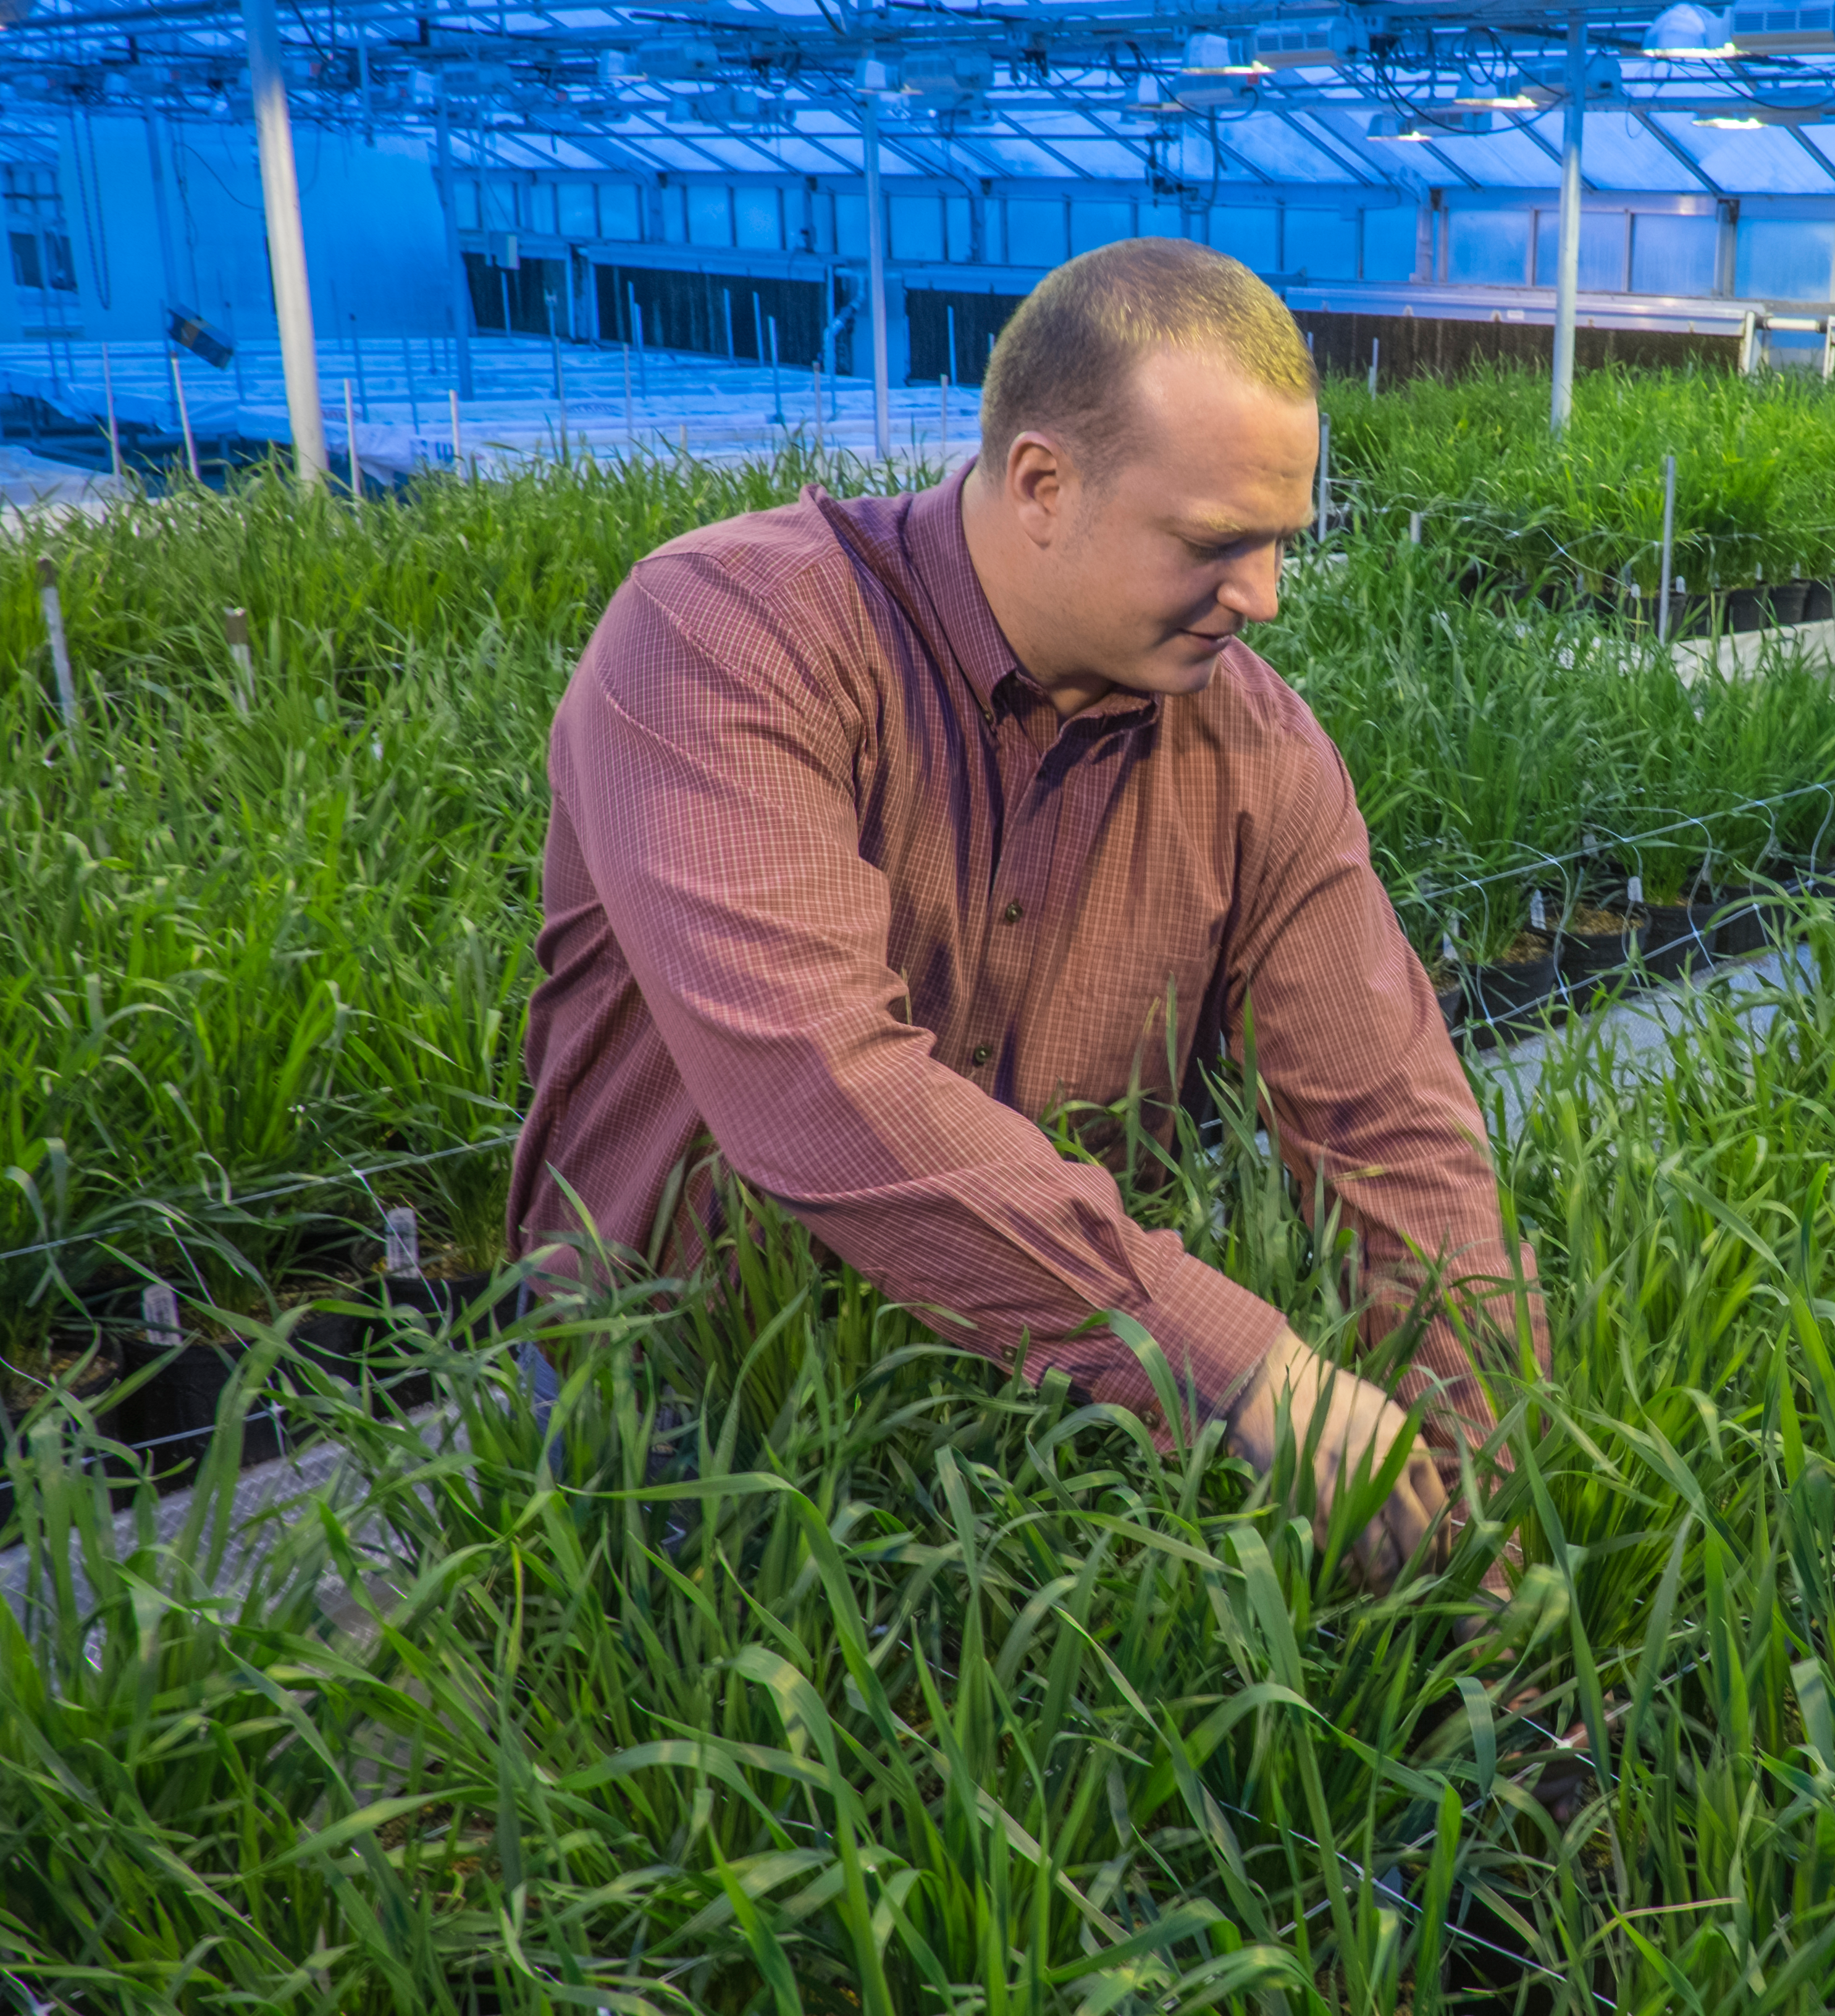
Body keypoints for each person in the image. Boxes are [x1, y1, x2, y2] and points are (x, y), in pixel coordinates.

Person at [506, 238, 1541, 1590]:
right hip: (689, 1410)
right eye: (1216, 541)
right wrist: (1243, 1368)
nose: (1265, 596)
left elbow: (1393, 1129)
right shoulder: (729, 636)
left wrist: (1479, 1527)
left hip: (1045, 1415)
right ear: (1044, 484)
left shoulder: (1258, 754)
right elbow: (823, 1089)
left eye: (1283, 541)